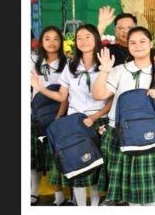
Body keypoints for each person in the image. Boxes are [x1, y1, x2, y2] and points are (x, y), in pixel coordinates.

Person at [92, 27, 155, 206]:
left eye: (142, 41)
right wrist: (104, 70)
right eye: (133, 42)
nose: (138, 46)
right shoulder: (119, 70)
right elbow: (99, 95)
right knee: (128, 192)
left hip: (149, 135)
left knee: (150, 190)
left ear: (151, 44)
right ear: (128, 46)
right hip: (119, 134)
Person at [56, 24, 112, 205]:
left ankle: (94, 206)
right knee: (78, 166)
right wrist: (39, 87)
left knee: (96, 167)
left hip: (99, 120)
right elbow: (63, 96)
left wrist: (94, 117)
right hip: (75, 122)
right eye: (79, 37)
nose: (83, 41)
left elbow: (112, 100)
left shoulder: (106, 64)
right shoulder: (70, 66)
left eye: (88, 36)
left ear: (96, 38)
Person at [29, 26, 68, 205]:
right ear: (41, 42)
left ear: (61, 42)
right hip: (36, 115)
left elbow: (67, 94)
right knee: (34, 156)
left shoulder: (68, 63)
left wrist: (60, 116)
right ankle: (33, 191)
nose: (51, 42)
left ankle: (59, 196)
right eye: (47, 38)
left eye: (56, 39)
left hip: (59, 115)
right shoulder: (33, 61)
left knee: (55, 158)